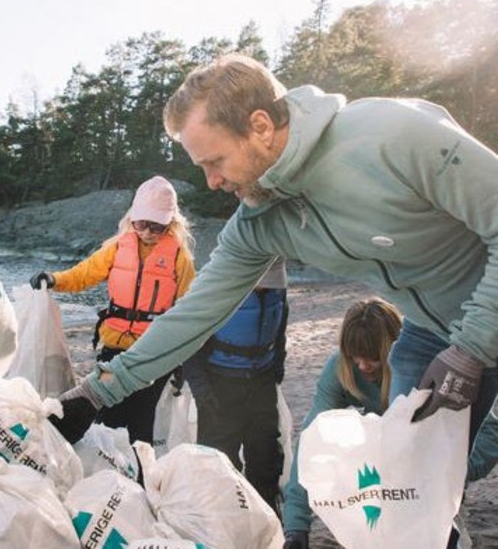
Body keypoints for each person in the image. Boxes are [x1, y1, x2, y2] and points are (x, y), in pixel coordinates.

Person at [48, 54, 498, 495]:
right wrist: (95, 392)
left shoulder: (391, 135)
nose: (211, 182)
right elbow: (193, 315)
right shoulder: (259, 222)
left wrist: (472, 347)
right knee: (408, 487)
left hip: (480, 317)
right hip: (430, 335)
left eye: (216, 161)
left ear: (260, 127)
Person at [283, 299, 498, 549]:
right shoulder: (339, 370)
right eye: (355, 358)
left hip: (431, 457)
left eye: (373, 358)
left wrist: (451, 475)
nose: (363, 366)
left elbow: (491, 431)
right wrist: (295, 527)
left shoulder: (420, 366)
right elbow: (311, 441)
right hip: (388, 457)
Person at [30, 176, 196, 443]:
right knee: (108, 417)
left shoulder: (179, 257)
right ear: (132, 218)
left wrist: (182, 359)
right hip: (114, 346)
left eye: (157, 226)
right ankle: (108, 477)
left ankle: (138, 479)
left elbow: (190, 309)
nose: (148, 232)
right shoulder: (118, 247)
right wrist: (54, 279)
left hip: (153, 350)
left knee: (141, 420)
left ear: (171, 223)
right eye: (141, 223)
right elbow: (83, 274)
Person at [183, 256, 288, 513]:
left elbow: (279, 329)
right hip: (219, 383)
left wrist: (277, 367)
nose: (266, 287)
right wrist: (201, 389)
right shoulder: (217, 292)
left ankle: (267, 514)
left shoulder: (278, 292)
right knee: (219, 459)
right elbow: (189, 342)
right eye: (260, 284)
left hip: (260, 380)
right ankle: (223, 518)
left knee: (266, 455)